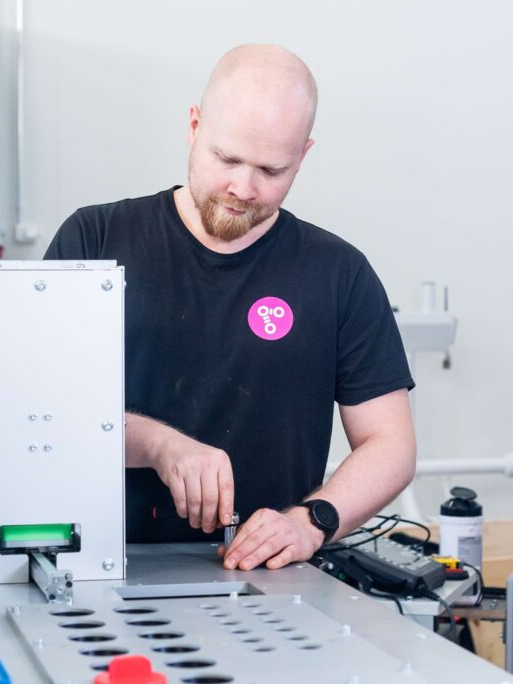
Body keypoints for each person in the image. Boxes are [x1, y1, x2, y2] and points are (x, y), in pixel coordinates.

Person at [44, 44, 416, 571]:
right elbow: (41, 412)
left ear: (303, 156)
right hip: (92, 566)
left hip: (264, 578)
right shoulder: (95, 239)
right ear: (194, 127)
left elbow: (390, 442)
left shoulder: (339, 273)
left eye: (271, 169)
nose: (243, 188)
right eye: (227, 158)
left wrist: (309, 523)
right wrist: (159, 446)